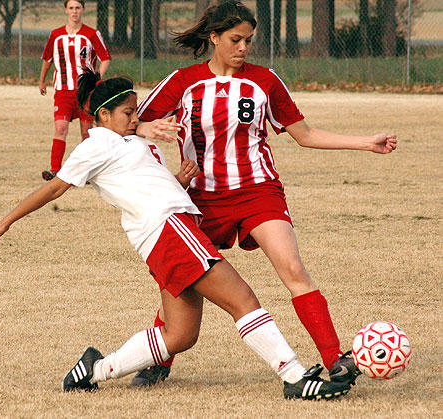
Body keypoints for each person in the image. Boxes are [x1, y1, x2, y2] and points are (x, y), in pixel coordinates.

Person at [0, 71, 351, 400]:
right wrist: (6, 221)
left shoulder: (131, 141)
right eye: (129, 113)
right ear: (103, 116)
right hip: (169, 229)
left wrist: (177, 182)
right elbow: (53, 189)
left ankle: (92, 371)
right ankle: (295, 377)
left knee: (180, 335)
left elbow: (139, 183)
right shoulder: (97, 144)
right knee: (242, 298)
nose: (136, 119)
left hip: (166, 234)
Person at [133, 0, 397, 387]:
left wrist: (365, 142)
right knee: (184, 278)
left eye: (249, 41)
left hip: (259, 191)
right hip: (201, 200)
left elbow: (304, 135)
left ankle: (335, 359)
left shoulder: (265, 80)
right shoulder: (183, 81)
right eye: (235, 40)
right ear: (214, 38)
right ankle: (160, 360)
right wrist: (143, 132)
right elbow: (130, 120)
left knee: (293, 269)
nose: (243, 48)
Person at [38, 0, 111, 181]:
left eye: (78, 8)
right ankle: (55, 170)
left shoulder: (92, 34)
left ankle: (86, 172)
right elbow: (47, 59)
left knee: (87, 133)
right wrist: (42, 81)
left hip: (85, 92)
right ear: (66, 10)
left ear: (83, 10)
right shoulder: (56, 35)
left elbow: (106, 58)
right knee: (61, 128)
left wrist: (96, 79)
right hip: (63, 91)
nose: (74, 11)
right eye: (71, 8)